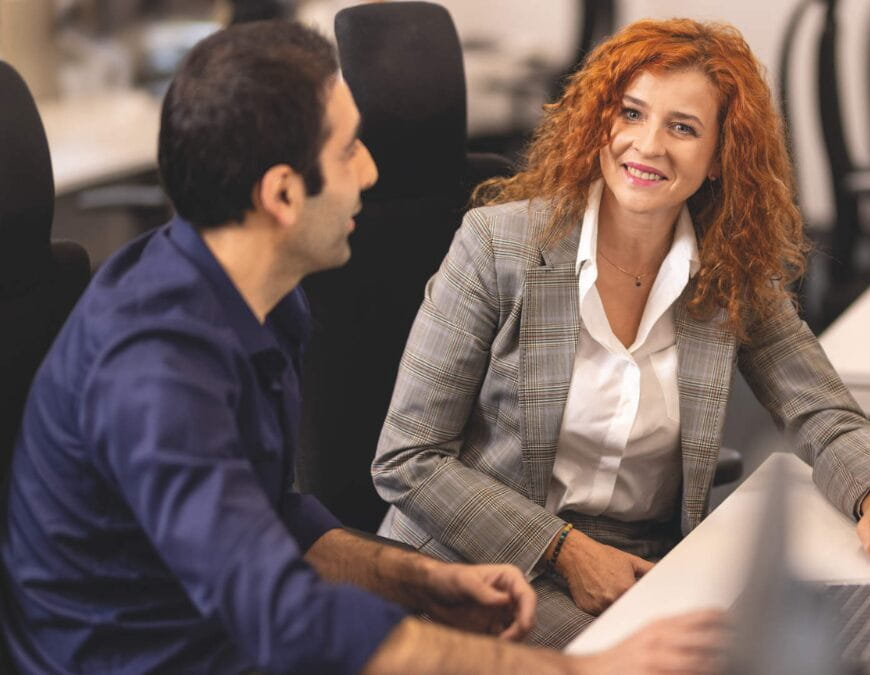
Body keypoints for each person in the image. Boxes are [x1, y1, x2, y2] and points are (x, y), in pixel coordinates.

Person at [0, 20, 724, 674]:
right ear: (283, 195)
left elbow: (272, 516)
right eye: (349, 149)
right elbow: (285, 614)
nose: (372, 173)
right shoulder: (157, 373)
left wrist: (417, 578)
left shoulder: (259, 295)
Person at [373, 18, 870, 649]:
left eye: (683, 127)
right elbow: (408, 458)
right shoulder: (497, 246)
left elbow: (821, 412)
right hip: (477, 563)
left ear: (723, 155)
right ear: (600, 122)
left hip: (643, 563)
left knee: (794, 642)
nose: (647, 145)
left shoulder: (731, 274)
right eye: (632, 113)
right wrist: (564, 550)